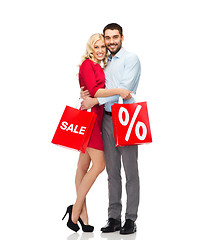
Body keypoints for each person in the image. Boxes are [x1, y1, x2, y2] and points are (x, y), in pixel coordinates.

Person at [62, 33, 132, 233]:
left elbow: (92, 92)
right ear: (90, 48)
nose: (101, 50)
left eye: (103, 46)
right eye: (97, 46)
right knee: (99, 164)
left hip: (97, 117)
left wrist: (89, 95)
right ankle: (76, 211)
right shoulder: (87, 64)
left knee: (83, 166)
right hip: (91, 120)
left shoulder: (98, 65)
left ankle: (82, 216)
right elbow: (95, 91)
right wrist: (119, 90)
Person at [81, 23, 141, 235]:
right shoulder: (103, 61)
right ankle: (114, 217)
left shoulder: (130, 59)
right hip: (107, 119)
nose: (111, 41)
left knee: (130, 171)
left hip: (126, 118)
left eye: (115, 37)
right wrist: (87, 94)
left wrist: (94, 101)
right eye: (108, 38)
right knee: (112, 171)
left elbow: (123, 91)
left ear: (122, 38)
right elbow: (97, 86)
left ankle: (130, 219)